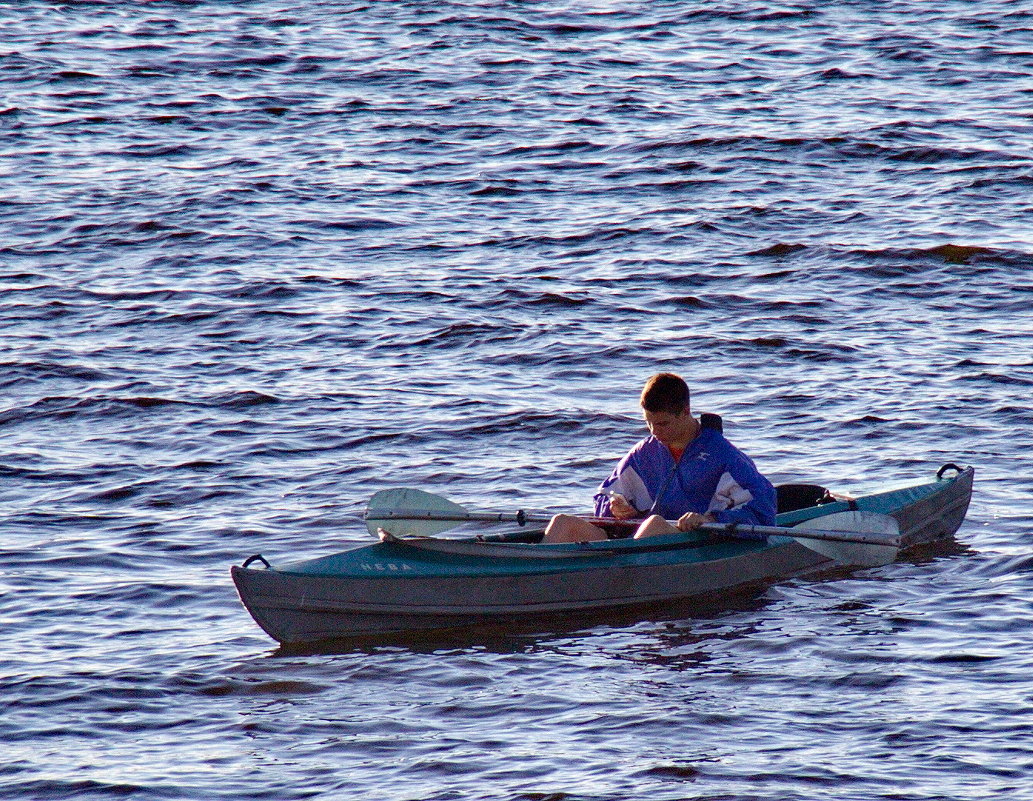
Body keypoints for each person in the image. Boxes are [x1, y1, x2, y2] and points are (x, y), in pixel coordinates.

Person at [543, 373, 776, 543]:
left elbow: (763, 511)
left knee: (654, 525)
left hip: (692, 541)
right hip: (637, 541)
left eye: (662, 423)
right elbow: (604, 496)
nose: (654, 432)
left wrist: (709, 518)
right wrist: (617, 508)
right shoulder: (643, 453)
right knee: (562, 522)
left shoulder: (724, 456)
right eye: (649, 423)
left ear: (685, 412)